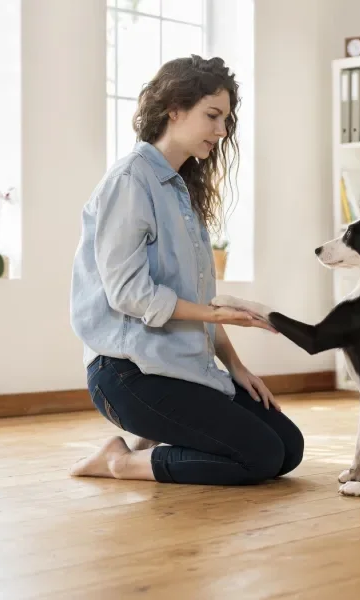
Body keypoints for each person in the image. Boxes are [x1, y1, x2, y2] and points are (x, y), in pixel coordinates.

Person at [67, 55, 304, 485]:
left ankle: (154, 441)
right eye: (212, 116)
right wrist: (213, 315)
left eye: (226, 119)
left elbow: (196, 298)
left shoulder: (182, 192)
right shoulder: (130, 181)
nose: (222, 130)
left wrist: (236, 366)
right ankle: (120, 461)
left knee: (288, 446)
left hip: (180, 367)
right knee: (261, 455)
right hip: (125, 372)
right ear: (173, 110)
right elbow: (129, 293)